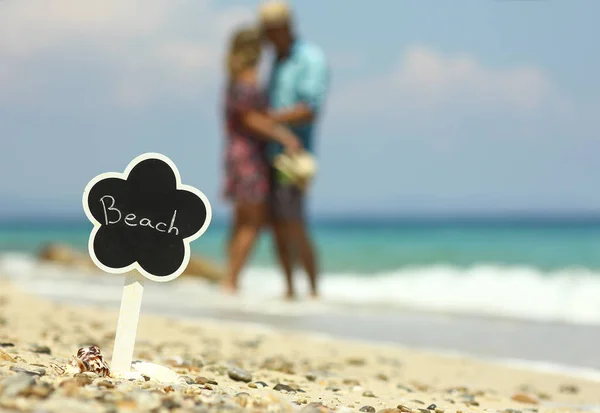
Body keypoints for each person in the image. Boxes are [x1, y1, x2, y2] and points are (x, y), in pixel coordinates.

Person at [221, 26, 302, 295]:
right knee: (252, 222)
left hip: (236, 155)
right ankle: (231, 281)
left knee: (241, 221)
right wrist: (283, 135)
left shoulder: (233, 79)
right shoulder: (247, 80)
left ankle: (230, 279)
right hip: (250, 157)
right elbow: (249, 118)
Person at [258, 1, 330, 299]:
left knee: (294, 223)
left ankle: (313, 291)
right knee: (277, 225)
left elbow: (310, 108)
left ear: (284, 28)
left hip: (294, 157)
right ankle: (289, 289)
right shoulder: (277, 60)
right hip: (270, 154)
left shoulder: (310, 58)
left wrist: (269, 119)